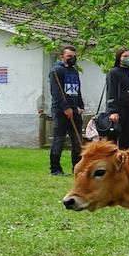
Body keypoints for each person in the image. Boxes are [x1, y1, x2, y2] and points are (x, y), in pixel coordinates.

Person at [48, 45, 85, 175]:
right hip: (60, 111)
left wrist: (80, 106)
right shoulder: (56, 71)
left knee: (77, 141)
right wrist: (66, 108)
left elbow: (78, 90)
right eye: (69, 56)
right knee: (59, 139)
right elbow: (56, 92)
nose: (72, 59)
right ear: (62, 56)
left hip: (75, 110)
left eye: (74, 57)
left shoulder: (74, 71)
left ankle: (77, 168)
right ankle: (55, 169)